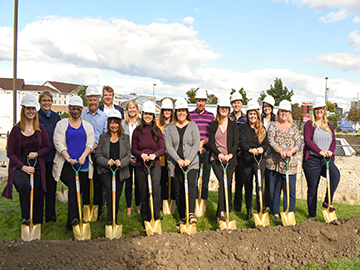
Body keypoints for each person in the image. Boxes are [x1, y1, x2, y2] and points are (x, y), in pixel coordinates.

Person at [2, 94, 50, 225]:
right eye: (28, 108)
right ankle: (26, 217)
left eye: (33, 109)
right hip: (19, 166)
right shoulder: (16, 130)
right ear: (23, 110)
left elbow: (47, 147)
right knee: (24, 186)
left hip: (36, 165)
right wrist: (23, 167)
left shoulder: (40, 129)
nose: (31, 111)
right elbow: (10, 152)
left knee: (38, 191)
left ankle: (37, 220)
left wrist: (37, 153)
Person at [52, 95, 95, 230]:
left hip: (83, 164)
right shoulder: (61, 124)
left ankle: (74, 218)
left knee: (79, 190)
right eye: (72, 109)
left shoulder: (87, 126)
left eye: (78, 109)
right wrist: (67, 157)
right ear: (69, 109)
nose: (75, 112)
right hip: (66, 164)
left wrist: (83, 156)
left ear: (82, 110)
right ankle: (73, 220)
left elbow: (91, 143)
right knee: (73, 186)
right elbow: (58, 143)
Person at [303, 97, 340, 220]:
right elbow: (308, 141)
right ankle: (312, 216)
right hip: (312, 160)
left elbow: (334, 140)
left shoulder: (329, 125)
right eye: (317, 109)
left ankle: (327, 201)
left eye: (321, 108)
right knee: (313, 188)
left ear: (324, 110)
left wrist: (330, 151)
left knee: (335, 175)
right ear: (314, 110)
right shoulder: (309, 124)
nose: (319, 111)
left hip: (326, 160)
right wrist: (320, 151)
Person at [165, 98, 200, 228]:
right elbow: (168, 146)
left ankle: (191, 214)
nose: (181, 113)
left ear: (187, 112)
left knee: (191, 185)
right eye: (179, 111)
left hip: (192, 163)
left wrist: (188, 159)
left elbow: (196, 143)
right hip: (176, 164)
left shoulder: (193, 125)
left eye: (183, 111)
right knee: (178, 190)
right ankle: (181, 217)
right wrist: (178, 160)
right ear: (176, 112)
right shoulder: (170, 128)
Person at [131, 101, 165, 230]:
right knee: (143, 190)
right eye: (146, 114)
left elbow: (162, 148)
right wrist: (141, 155)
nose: (148, 116)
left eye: (150, 114)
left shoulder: (157, 131)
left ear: (153, 115)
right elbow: (133, 149)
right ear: (142, 114)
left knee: (155, 186)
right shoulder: (137, 131)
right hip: (141, 165)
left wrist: (155, 155)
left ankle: (156, 214)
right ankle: (145, 218)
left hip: (154, 164)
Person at [266, 100, 301, 221]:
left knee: (289, 190)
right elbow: (270, 140)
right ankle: (275, 212)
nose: (283, 113)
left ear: (289, 113)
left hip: (289, 165)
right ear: (278, 112)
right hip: (274, 163)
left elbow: (299, 143)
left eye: (286, 111)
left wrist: (291, 151)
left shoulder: (294, 128)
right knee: (274, 189)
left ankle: (289, 211)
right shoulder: (272, 126)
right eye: (282, 111)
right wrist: (279, 150)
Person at [95, 109, 131, 224]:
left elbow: (128, 155)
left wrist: (121, 162)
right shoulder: (103, 137)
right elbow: (98, 155)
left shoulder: (125, 138)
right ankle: (110, 220)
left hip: (120, 172)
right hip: (105, 171)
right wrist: (106, 162)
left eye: (116, 123)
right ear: (108, 123)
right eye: (111, 122)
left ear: (119, 124)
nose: (114, 125)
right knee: (111, 190)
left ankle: (113, 216)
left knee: (117, 195)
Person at [209, 96, 239, 222]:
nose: (224, 110)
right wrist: (219, 154)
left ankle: (221, 211)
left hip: (230, 160)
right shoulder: (214, 124)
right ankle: (222, 211)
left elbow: (236, 143)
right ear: (218, 109)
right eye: (222, 108)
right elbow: (211, 142)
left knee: (227, 184)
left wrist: (230, 155)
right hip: (216, 159)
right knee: (223, 182)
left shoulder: (233, 124)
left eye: (226, 108)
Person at [81, 85, 108, 220]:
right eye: (90, 100)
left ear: (99, 100)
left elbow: (105, 134)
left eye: (95, 99)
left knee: (98, 182)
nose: (92, 102)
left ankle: (98, 209)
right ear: (87, 100)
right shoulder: (82, 115)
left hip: (98, 152)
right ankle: (86, 207)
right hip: (85, 153)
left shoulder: (104, 116)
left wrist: (97, 145)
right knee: (85, 181)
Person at [239, 100, 268, 220]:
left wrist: (261, 149)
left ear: (258, 115)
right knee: (248, 186)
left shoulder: (262, 128)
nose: (252, 116)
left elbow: (266, 143)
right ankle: (249, 211)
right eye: (250, 114)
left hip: (259, 160)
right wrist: (250, 150)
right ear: (247, 115)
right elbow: (242, 142)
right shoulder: (244, 128)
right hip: (246, 161)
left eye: (254, 114)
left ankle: (260, 207)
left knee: (260, 185)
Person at [37, 90, 61, 223]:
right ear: (40, 102)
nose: (47, 103)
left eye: (49, 100)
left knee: (51, 189)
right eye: (44, 100)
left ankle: (51, 218)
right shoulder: (36, 116)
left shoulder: (56, 117)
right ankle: (38, 217)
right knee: (40, 189)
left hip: (53, 158)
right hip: (40, 158)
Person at [189, 89, 214, 206]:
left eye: (203, 101)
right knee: (194, 179)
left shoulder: (210, 116)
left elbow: (212, 134)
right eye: (199, 100)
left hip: (207, 151)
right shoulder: (190, 115)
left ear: (205, 102)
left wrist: (203, 144)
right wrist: (197, 146)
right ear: (196, 101)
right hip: (193, 152)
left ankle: (203, 202)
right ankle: (194, 201)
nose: (201, 103)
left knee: (205, 179)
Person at [122, 100, 141, 215]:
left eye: (134, 107)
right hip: (127, 157)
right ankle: (129, 207)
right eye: (130, 107)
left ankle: (137, 206)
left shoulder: (141, 123)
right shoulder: (123, 124)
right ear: (127, 110)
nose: (132, 109)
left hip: (138, 157)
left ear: (137, 109)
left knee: (138, 184)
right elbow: (122, 142)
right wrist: (127, 157)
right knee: (128, 184)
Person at [156, 98, 175, 206]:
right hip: (161, 157)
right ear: (162, 111)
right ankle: (163, 201)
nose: (167, 112)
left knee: (172, 179)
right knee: (162, 180)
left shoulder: (175, 124)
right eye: (165, 110)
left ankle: (172, 200)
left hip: (172, 156)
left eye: (169, 110)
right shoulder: (158, 124)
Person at [230, 92, 246, 213]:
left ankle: (238, 206)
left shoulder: (246, 118)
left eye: (238, 102)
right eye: (234, 103)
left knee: (239, 181)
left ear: (241, 103)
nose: (236, 104)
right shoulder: (228, 117)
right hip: (230, 153)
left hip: (241, 154)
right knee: (228, 181)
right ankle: (228, 205)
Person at [261, 95, 276, 213]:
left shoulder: (275, 121)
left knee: (270, 182)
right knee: (260, 181)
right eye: (265, 106)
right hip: (261, 154)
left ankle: (269, 204)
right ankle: (260, 204)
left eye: (269, 106)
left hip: (272, 154)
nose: (266, 108)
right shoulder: (259, 120)